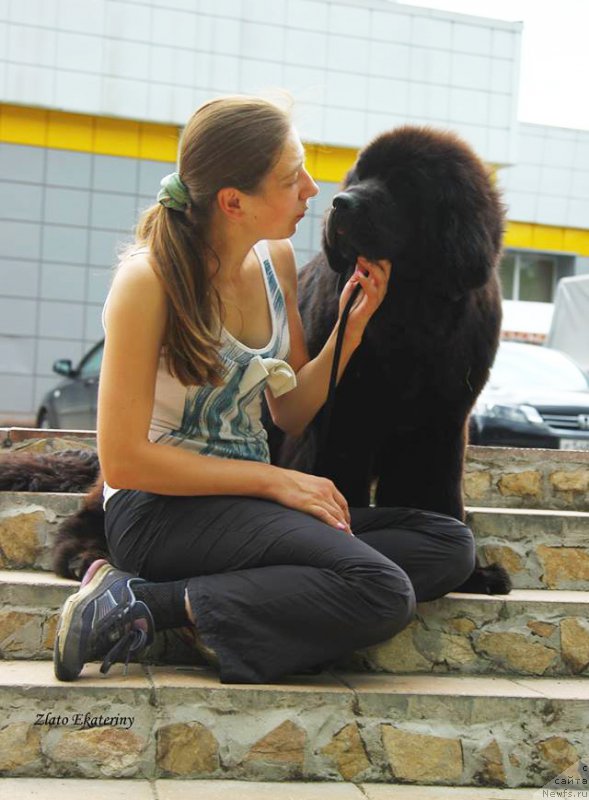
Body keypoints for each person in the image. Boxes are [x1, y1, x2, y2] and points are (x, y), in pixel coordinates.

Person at [53, 95, 476, 685]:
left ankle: (214, 605)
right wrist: (277, 480)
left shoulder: (276, 258)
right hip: (158, 514)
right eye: (289, 177)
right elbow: (125, 460)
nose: (311, 189)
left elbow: (292, 411)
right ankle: (142, 604)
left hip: (247, 506)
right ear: (234, 202)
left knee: (447, 545)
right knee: (381, 589)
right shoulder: (146, 282)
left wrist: (350, 330)